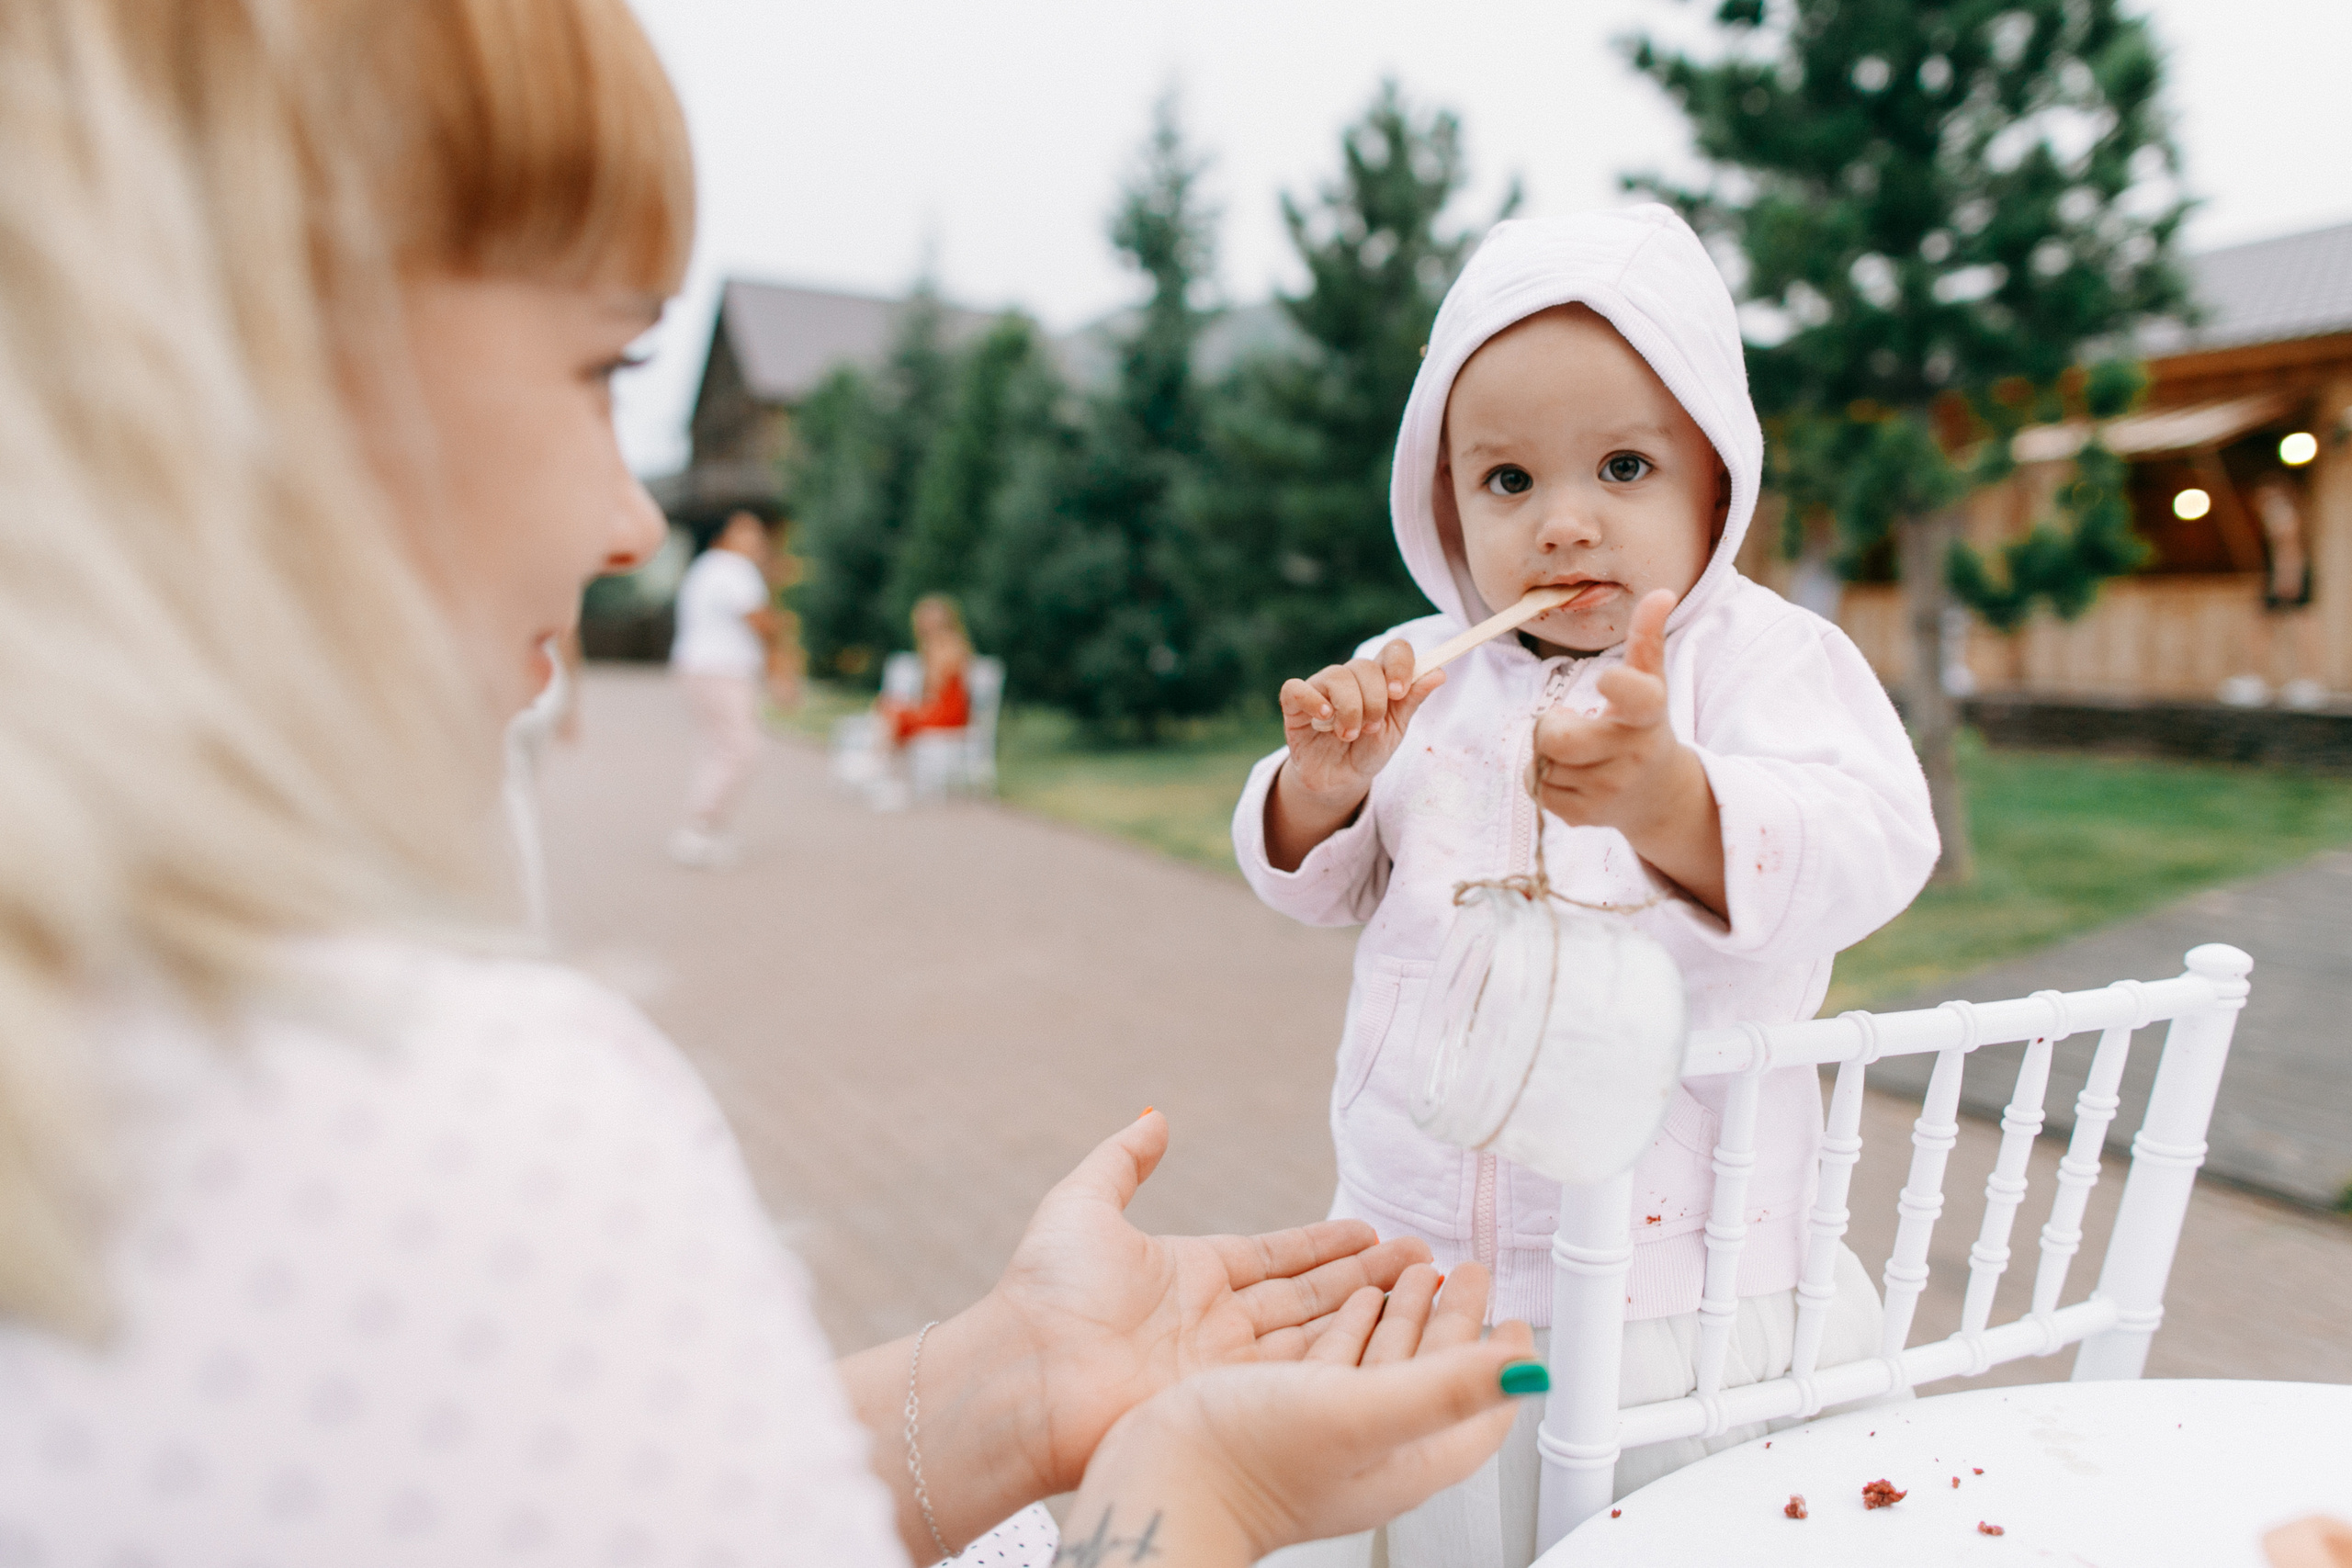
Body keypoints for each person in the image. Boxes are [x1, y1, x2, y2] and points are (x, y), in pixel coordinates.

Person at [0, 2, 1547, 1563]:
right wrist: (1201, 1498)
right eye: (599, 369)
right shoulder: (427, 1128)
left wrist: (1019, 1381)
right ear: (257, 372)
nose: (630, 521)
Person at [1236, 207, 1941, 1565]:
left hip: (1680, 1292)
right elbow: (1315, 887)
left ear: (1714, 481)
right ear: (1444, 500)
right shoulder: (1421, 672)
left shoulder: (1767, 663)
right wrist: (1322, 787)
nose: (1563, 524)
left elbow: (1875, 843)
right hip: (1411, 1264)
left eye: (1623, 466)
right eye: (1507, 480)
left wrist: (1674, 801)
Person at [670, 510, 786, 866]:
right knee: (741, 749)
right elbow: (762, 622)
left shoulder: (705, 567)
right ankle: (700, 827)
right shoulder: (735, 569)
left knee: (717, 749)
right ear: (723, 536)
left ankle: (707, 827)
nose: (757, 541)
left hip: (698, 667)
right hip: (723, 670)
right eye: (746, 532)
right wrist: (782, 669)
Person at [876, 592, 976, 746]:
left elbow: (935, 690)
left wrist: (922, 708)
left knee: (895, 715)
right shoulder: (955, 643)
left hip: (948, 714)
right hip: (948, 711)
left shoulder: (944, 646)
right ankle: (887, 754)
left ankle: (885, 755)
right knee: (895, 713)